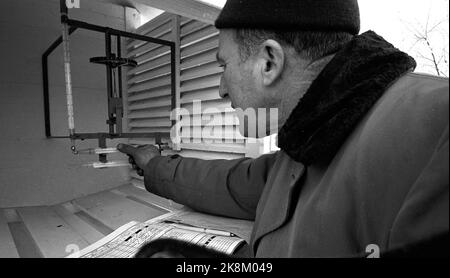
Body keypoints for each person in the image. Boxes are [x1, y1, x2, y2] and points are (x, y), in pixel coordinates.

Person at [118, 0, 449, 258]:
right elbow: (230, 184)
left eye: (223, 65)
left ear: (269, 63)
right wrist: (153, 164)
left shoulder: (438, 129)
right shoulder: (303, 147)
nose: (220, 88)